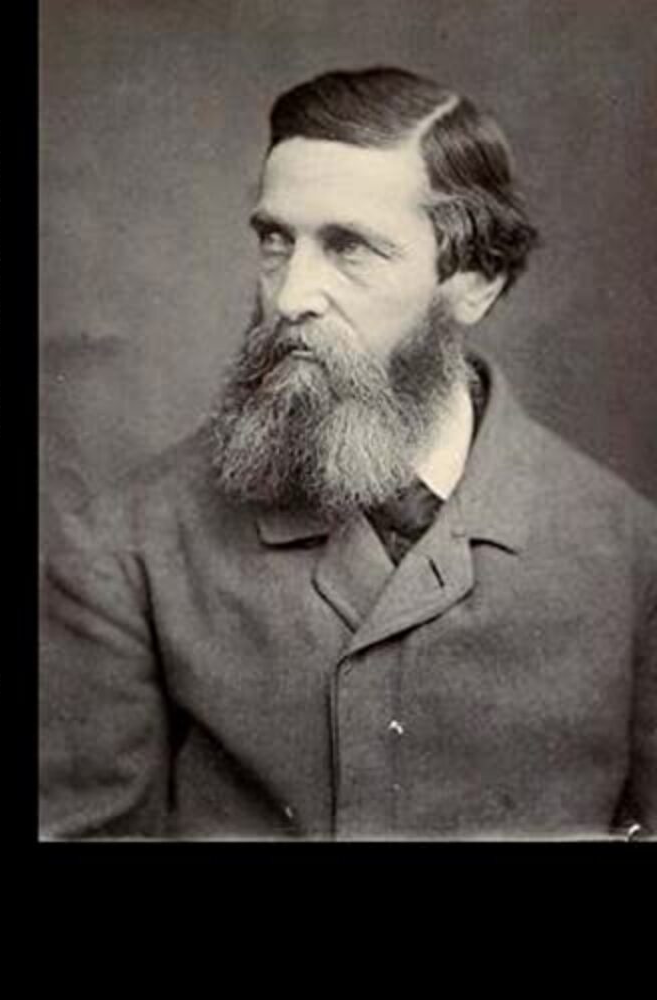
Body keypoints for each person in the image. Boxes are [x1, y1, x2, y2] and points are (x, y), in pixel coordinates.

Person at [40, 67, 656, 840]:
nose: (291, 295)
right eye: (276, 241)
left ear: (475, 282)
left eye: (350, 248)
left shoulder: (633, 558)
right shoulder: (125, 548)